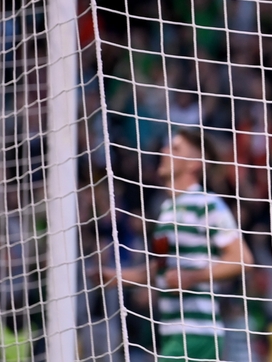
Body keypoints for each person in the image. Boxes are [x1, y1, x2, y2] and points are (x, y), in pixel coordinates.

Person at [93, 127, 254, 361]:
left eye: (175, 148)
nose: (165, 150)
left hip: (198, 333)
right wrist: (119, 277)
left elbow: (242, 259)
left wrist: (193, 277)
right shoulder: (167, 208)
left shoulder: (207, 203)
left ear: (194, 164)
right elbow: (164, 267)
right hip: (171, 330)